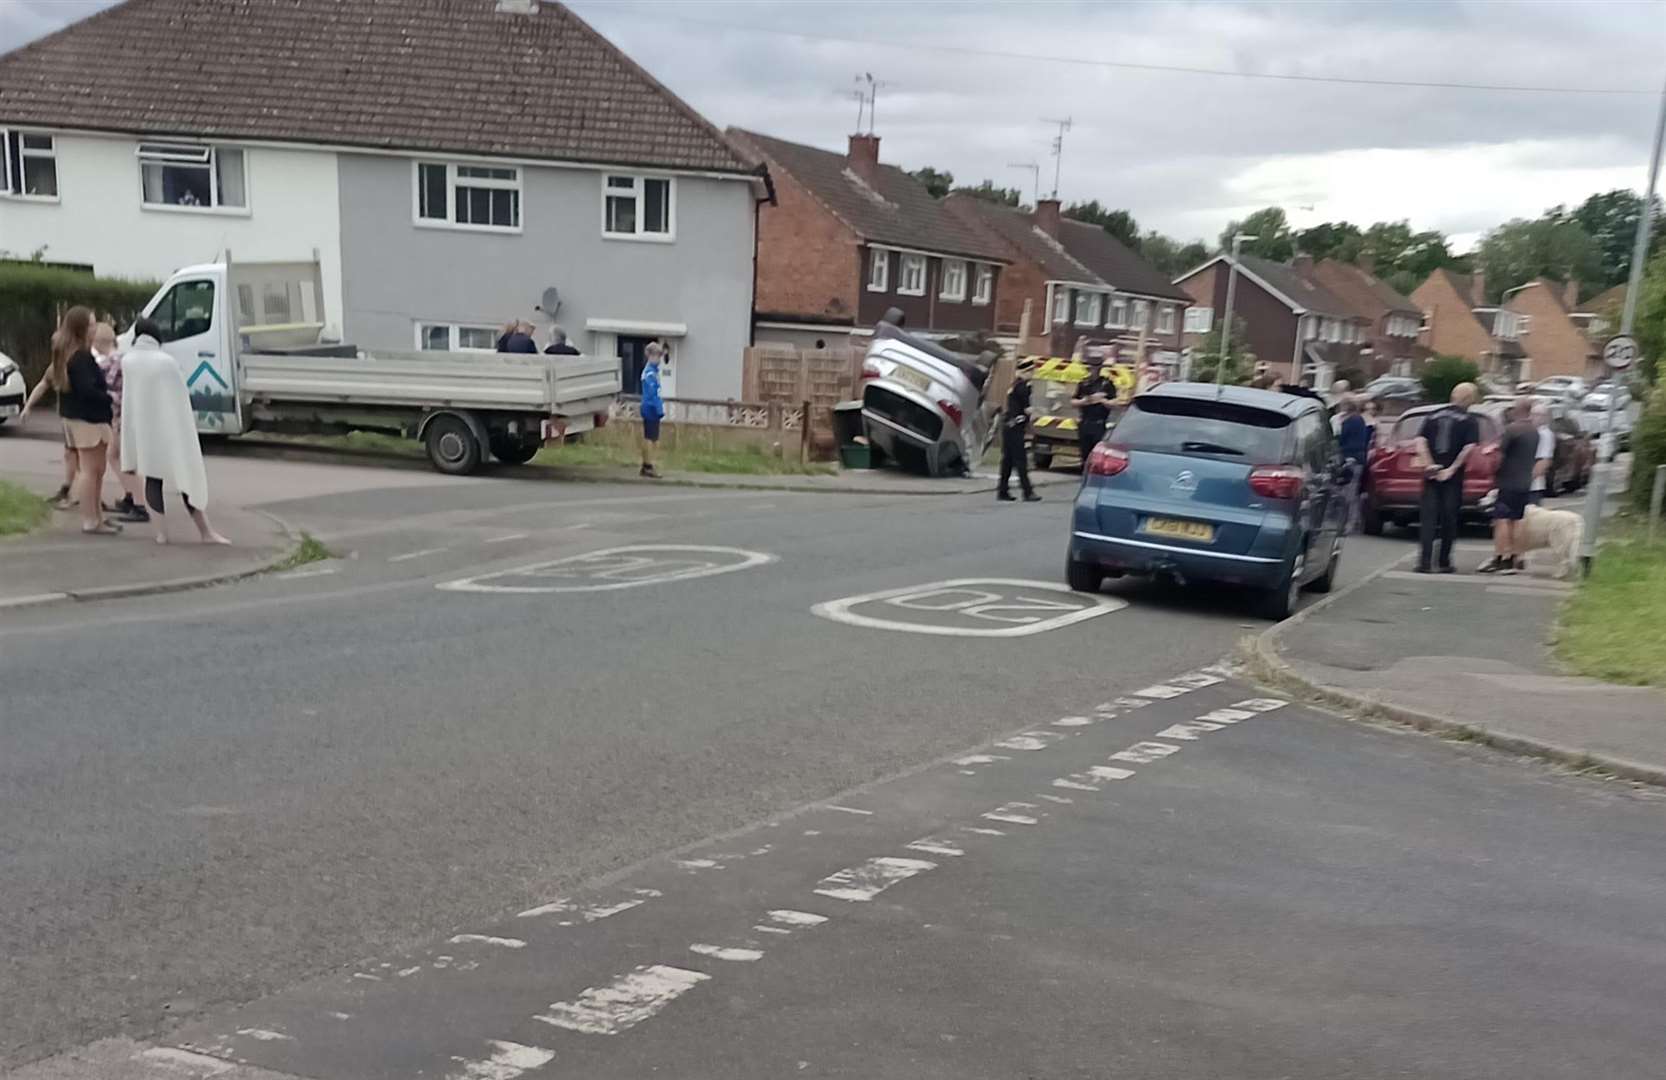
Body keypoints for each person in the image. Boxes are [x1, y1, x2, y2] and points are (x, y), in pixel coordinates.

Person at [121, 317, 228, 545]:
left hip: (144, 431)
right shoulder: (166, 362)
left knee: (152, 477)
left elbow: (130, 401)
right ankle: (206, 532)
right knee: (185, 476)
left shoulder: (128, 361)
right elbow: (179, 400)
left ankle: (161, 534)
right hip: (171, 430)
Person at [1412, 381, 1481, 574]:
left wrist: (1429, 464)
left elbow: (1420, 441)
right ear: (1469, 399)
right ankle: (1444, 561)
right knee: (1449, 519)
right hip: (1452, 478)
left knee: (1428, 518)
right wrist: (1451, 469)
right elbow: (1468, 449)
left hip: (1431, 475)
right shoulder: (1469, 420)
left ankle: (1424, 562)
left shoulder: (1432, 416)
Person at [91, 323, 150, 523]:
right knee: (118, 456)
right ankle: (130, 496)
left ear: (97, 343)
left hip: (122, 416)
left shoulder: (109, 363)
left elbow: (108, 391)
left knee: (120, 459)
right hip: (129, 415)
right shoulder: (125, 358)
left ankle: (140, 504)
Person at [1478, 396, 1539, 574]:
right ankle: (1515, 556)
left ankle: (1500, 557)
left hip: (1508, 481)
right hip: (1525, 481)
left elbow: (1500, 454)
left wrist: (1491, 463)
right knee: (1517, 520)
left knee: (1502, 520)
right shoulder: (1534, 431)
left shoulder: (1513, 429)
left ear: (1518, 410)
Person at [998, 358, 1040, 503]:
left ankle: (1002, 490)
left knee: (1007, 461)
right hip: (1016, 427)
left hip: (1009, 426)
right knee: (1021, 461)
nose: (1032, 374)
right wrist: (1034, 415)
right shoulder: (1023, 387)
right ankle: (1028, 492)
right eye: (1031, 371)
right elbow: (1027, 409)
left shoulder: (1014, 385)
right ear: (1026, 371)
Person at [1335, 395, 1372, 533]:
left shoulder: (1350, 421)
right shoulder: (1360, 420)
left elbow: (1341, 439)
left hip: (1350, 458)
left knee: (1347, 493)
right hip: (1359, 458)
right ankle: (1354, 522)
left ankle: (1349, 524)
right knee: (1353, 492)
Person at [1070, 363, 1113, 465]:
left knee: (1098, 455)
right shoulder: (1084, 383)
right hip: (1085, 422)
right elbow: (1073, 402)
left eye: (1096, 368)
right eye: (1091, 368)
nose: (1094, 370)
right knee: (1085, 455)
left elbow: (1114, 403)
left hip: (1099, 423)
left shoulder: (1106, 384)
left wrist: (1102, 400)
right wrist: (1085, 401)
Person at [638, 341, 665, 479]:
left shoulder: (653, 371)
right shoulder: (649, 373)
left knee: (650, 437)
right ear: (651, 356)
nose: (659, 359)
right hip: (651, 408)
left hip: (650, 407)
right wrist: (658, 408)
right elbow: (652, 393)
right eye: (658, 356)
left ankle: (645, 465)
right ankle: (649, 465)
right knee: (652, 439)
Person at [1529, 401, 1555, 505]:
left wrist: (1527, 480)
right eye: (1533, 414)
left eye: (1539, 415)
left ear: (1546, 418)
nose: (1534, 417)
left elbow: (1544, 461)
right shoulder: (1532, 432)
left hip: (1533, 486)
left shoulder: (1545, 435)